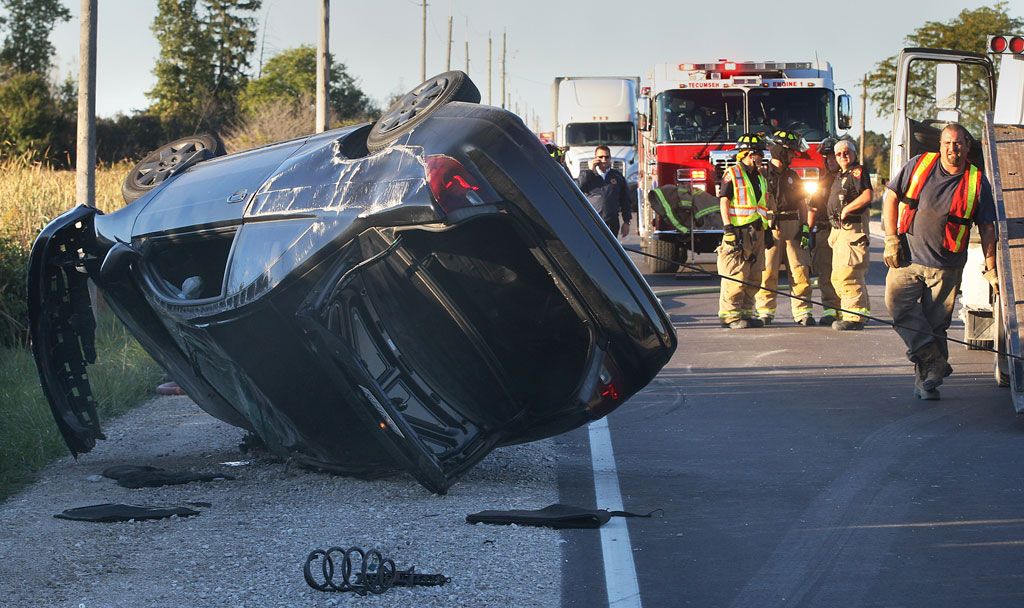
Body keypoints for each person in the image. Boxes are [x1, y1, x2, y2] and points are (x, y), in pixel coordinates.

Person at [882, 123, 997, 400]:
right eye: (947, 143)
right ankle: (934, 361)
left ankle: (927, 384)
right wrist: (890, 238)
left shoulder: (977, 181)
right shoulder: (919, 164)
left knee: (936, 325)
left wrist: (991, 267)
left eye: (957, 143)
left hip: (946, 265)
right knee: (897, 307)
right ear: (940, 145)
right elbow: (891, 196)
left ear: (967, 147)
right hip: (907, 258)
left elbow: (987, 227)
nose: (951, 148)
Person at [754, 130, 815, 326]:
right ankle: (765, 312)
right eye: (790, 152)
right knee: (767, 272)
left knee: (800, 270)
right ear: (781, 151)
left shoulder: (793, 176)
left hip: (793, 226)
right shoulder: (762, 174)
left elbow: (802, 203)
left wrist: (805, 227)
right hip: (770, 227)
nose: (793, 156)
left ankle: (803, 312)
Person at [717, 133, 772, 329]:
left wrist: (767, 230)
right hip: (739, 232)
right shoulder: (732, 174)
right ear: (749, 154)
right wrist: (728, 229)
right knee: (736, 275)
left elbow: (761, 206)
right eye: (759, 153)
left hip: (757, 231)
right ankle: (730, 316)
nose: (762, 157)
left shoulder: (759, 176)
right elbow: (724, 201)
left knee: (754, 276)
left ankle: (747, 313)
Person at [825, 139, 873, 331]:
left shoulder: (856, 172)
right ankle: (860, 312)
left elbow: (867, 195)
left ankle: (854, 317)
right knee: (838, 275)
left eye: (846, 152)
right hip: (840, 230)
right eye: (838, 154)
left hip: (852, 228)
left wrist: (846, 210)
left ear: (854, 154)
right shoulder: (841, 174)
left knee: (848, 273)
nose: (842, 156)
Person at [807, 137, 841, 325]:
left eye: (833, 157)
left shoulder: (851, 178)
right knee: (825, 272)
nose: (830, 161)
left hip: (844, 231)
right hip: (824, 231)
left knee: (846, 272)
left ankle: (850, 310)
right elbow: (812, 208)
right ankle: (830, 310)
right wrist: (807, 231)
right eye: (827, 158)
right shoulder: (822, 182)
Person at [577, 145, 632, 238]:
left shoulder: (617, 176)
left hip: (611, 223)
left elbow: (625, 201)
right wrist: (590, 170)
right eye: (600, 157)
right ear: (595, 158)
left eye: (606, 157)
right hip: (593, 222)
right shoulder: (587, 175)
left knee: (610, 246)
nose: (603, 160)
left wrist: (627, 222)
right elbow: (578, 187)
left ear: (610, 158)